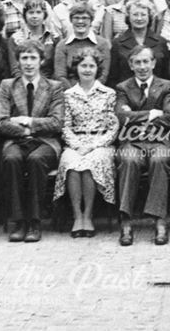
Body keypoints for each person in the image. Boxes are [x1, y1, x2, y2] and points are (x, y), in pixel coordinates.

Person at [0, 39, 66, 243]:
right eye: (24, 58)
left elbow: (56, 123)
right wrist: (24, 131)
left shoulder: (54, 87)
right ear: (18, 61)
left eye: (33, 58)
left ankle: (35, 222)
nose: (28, 63)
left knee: (36, 161)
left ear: (42, 61)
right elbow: (0, 122)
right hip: (16, 142)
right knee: (11, 160)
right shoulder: (7, 86)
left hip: (45, 143)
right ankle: (18, 221)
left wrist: (27, 121)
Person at [54, 48, 118, 237]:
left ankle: (88, 216)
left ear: (97, 69)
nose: (88, 70)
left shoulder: (108, 93)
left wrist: (94, 145)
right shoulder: (68, 95)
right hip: (76, 142)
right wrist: (76, 145)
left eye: (91, 66)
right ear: (76, 68)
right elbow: (65, 126)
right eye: (83, 66)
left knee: (91, 163)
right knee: (71, 163)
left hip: (100, 143)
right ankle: (77, 216)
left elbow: (113, 127)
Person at [115, 45, 170, 246]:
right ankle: (126, 221)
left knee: (159, 159)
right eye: (137, 62)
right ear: (131, 65)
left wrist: (138, 122)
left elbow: (169, 116)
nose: (142, 67)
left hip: (158, 139)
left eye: (146, 61)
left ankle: (159, 221)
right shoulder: (123, 88)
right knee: (128, 160)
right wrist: (151, 114)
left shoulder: (166, 86)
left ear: (154, 63)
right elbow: (121, 116)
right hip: (132, 141)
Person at [108, 0, 168, 85]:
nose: (139, 18)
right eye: (135, 14)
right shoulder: (117, 43)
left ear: (149, 17)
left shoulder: (160, 42)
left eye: (143, 14)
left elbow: (166, 75)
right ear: (128, 16)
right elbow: (113, 77)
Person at [53, 3, 111, 87]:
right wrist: (74, 93)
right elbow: (60, 75)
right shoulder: (62, 45)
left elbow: (104, 74)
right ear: (71, 20)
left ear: (91, 20)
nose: (80, 21)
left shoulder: (102, 44)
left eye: (85, 18)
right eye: (76, 18)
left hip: (96, 92)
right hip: (69, 93)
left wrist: (91, 92)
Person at [7, 0, 58, 78]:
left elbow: (57, 68)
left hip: (49, 84)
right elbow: (15, 70)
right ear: (25, 15)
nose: (35, 16)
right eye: (31, 12)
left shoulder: (54, 37)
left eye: (38, 12)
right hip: (23, 83)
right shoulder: (15, 39)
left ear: (44, 14)